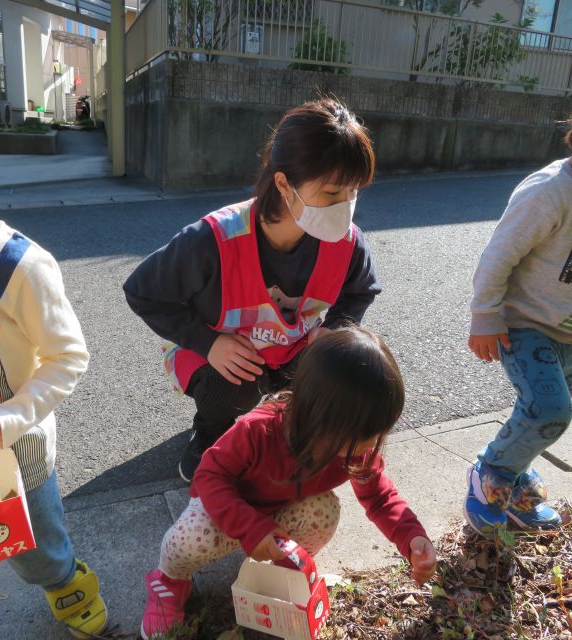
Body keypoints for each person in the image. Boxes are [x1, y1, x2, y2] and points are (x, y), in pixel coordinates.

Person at [0, 70, 107, 640]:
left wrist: (6, 421)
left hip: (6, 461)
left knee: (37, 555)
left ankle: (66, 583)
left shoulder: (18, 266)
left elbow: (66, 359)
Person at [124, 98, 381, 482]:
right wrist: (209, 343)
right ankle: (210, 433)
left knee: (337, 367)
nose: (345, 208)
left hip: (292, 346)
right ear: (283, 183)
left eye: (353, 193)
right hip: (219, 351)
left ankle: (284, 429)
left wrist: (334, 329)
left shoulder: (346, 241)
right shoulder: (213, 239)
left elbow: (361, 290)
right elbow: (142, 290)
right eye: (331, 194)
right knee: (233, 385)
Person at [140, 326, 437, 638]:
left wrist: (411, 537)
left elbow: (378, 497)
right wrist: (250, 527)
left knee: (324, 511)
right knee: (189, 539)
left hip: (280, 515)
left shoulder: (353, 448)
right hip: (227, 510)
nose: (370, 444)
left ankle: (284, 574)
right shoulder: (257, 431)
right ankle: (169, 582)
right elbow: (210, 476)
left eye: (379, 431)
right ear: (318, 417)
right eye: (363, 435)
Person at [464, 139, 572, 536]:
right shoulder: (550, 191)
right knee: (549, 410)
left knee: (552, 413)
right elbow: (499, 254)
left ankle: (516, 477)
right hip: (526, 326)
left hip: (568, 332)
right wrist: (485, 316)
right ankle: (491, 475)